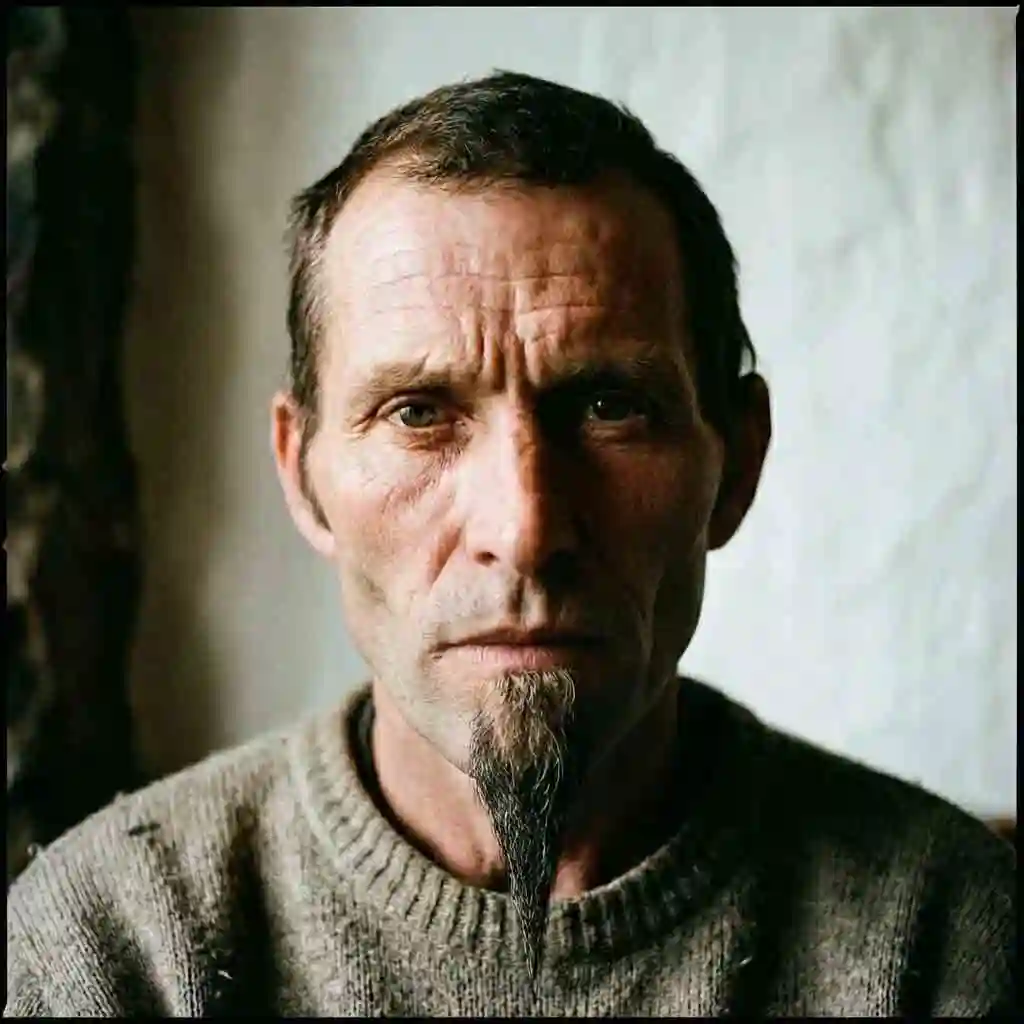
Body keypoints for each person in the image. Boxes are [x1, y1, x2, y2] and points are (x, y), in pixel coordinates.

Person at [5, 70, 1015, 1018]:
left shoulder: (940, 932)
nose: (524, 529)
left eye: (612, 407)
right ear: (302, 473)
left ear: (736, 463)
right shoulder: (115, 942)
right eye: (417, 413)